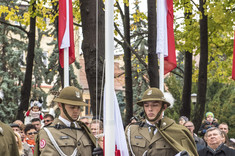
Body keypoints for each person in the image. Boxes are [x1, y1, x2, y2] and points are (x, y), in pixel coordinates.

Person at [125, 88, 198, 156]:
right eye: (146, 106)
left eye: (155, 105)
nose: (150, 109)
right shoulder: (131, 130)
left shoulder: (179, 131)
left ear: (164, 107)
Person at [34, 86, 102, 156]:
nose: (76, 111)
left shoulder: (84, 130)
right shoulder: (48, 132)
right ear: (60, 105)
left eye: (78, 107)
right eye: (72, 107)